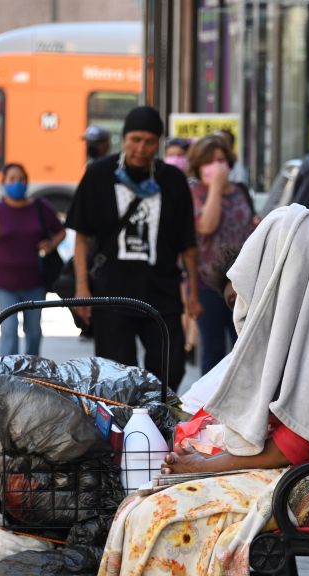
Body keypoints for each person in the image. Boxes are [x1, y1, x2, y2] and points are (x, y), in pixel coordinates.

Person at [93, 204, 309, 576]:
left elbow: (293, 446)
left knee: (166, 516)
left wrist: (207, 465)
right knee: (144, 507)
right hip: (304, 474)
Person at [66, 106, 201, 391]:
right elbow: (82, 237)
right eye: (135, 139)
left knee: (170, 368)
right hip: (112, 293)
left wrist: (193, 295)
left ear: (159, 144)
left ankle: (157, 427)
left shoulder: (173, 181)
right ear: (124, 139)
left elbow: (188, 245)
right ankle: (123, 433)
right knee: (116, 377)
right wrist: (82, 288)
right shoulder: (99, 175)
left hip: (161, 292)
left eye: (149, 141)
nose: (141, 148)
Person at [186, 134, 257, 374]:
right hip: (209, 284)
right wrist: (215, 186)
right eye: (209, 162)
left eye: (221, 160)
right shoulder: (195, 194)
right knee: (213, 350)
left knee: (245, 347)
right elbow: (206, 226)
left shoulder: (240, 191)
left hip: (244, 282)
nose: (217, 166)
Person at [0, 162, 65, 357]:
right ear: (3, 183)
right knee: (8, 330)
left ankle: (31, 369)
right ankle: (8, 373)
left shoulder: (41, 207)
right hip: (4, 283)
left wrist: (50, 245)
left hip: (35, 282)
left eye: (21, 179)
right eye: (12, 179)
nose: (17, 183)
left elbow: (61, 231)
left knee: (33, 331)